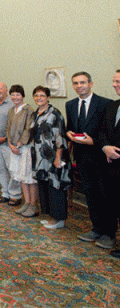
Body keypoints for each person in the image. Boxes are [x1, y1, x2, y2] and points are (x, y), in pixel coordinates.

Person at [66, 72, 115, 248]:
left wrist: (93, 141)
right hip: (81, 157)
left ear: (91, 83)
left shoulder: (105, 104)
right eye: (76, 83)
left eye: (83, 82)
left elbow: (108, 133)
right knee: (91, 195)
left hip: (101, 158)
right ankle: (96, 228)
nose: (80, 86)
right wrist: (68, 134)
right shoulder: (70, 105)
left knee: (105, 196)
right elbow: (70, 128)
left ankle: (109, 233)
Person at [31, 86, 71, 229]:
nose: (39, 98)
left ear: (48, 98)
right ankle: (50, 216)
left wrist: (58, 157)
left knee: (55, 187)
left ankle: (59, 219)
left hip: (53, 157)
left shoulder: (54, 114)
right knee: (44, 186)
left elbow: (60, 137)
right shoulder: (35, 113)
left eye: (42, 95)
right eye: (36, 95)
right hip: (40, 159)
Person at [0, 82, 21, 206]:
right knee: (0, 169)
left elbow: (15, 126)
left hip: (8, 143)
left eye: (0, 88)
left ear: (6, 90)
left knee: (12, 169)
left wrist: (5, 138)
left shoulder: (13, 105)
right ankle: (5, 192)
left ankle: (15, 194)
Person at [6, 85, 36, 215]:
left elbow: (29, 129)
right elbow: (8, 127)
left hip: (25, 148)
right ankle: (27, 202)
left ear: (22, 95)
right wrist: (10, 144)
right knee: (20, 176)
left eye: (17, 94)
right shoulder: (12, 110)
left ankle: (34, 205)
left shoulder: (29, 110)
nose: (15, 97)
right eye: (12, 94)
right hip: (14, 148)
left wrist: (18, 145)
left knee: (29, 177)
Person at [99, 70, 120, 258]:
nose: (114, 84)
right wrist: (106, 146)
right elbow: (103, 130)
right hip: (111, 164)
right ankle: (111, 236)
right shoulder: (112, 106)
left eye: (118, 81)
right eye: (114, 81)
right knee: (114, 202)